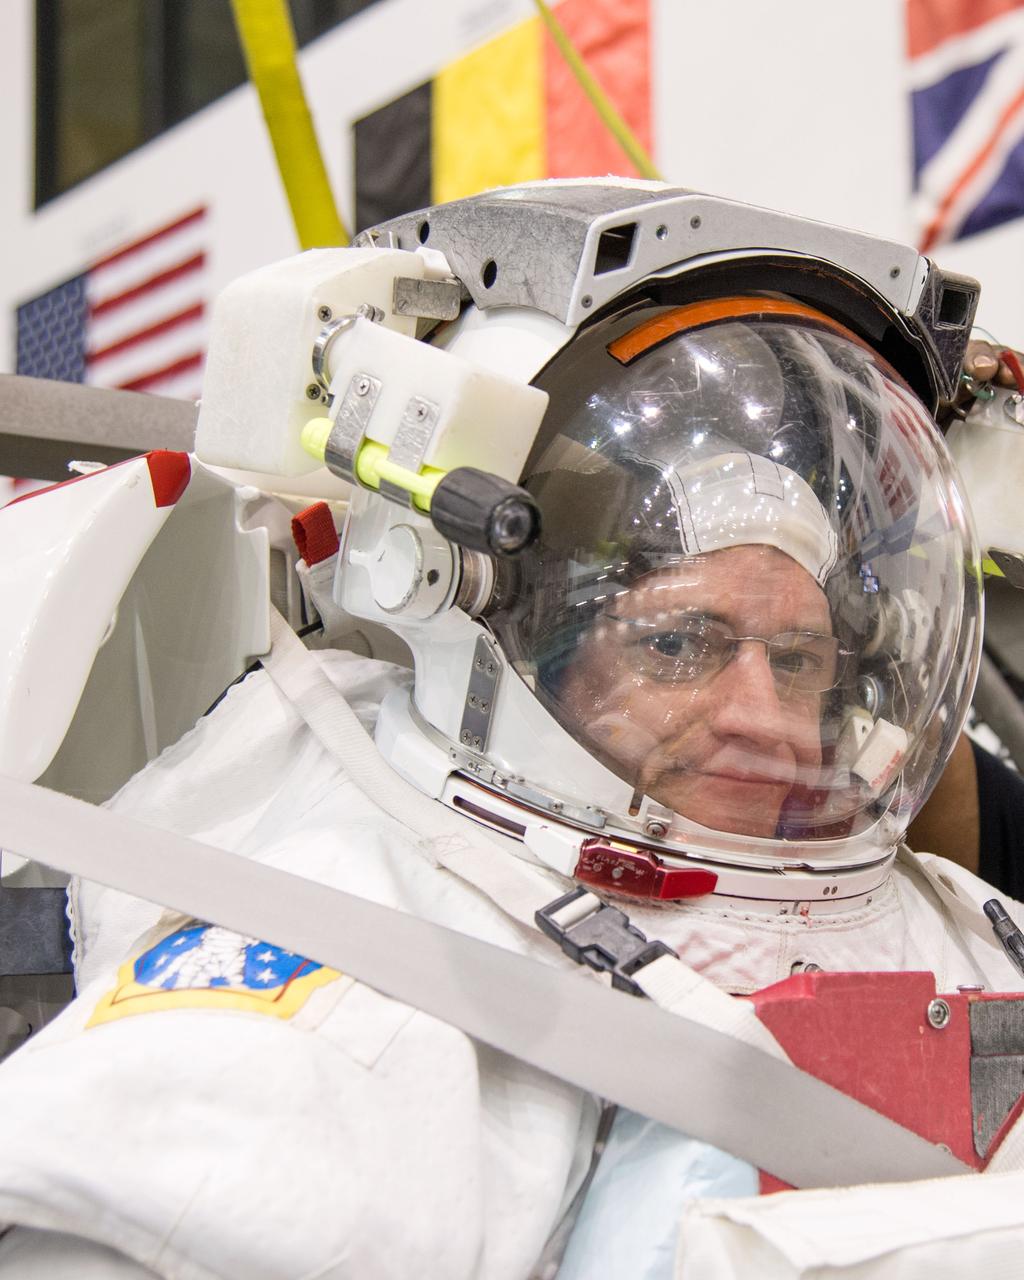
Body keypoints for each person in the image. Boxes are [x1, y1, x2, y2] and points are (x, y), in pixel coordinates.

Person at [1, 181, 1023, 1278]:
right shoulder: (344, 995)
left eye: (795, 658)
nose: (762, 720)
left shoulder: (957, 923)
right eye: (678, 645)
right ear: (514, 635)